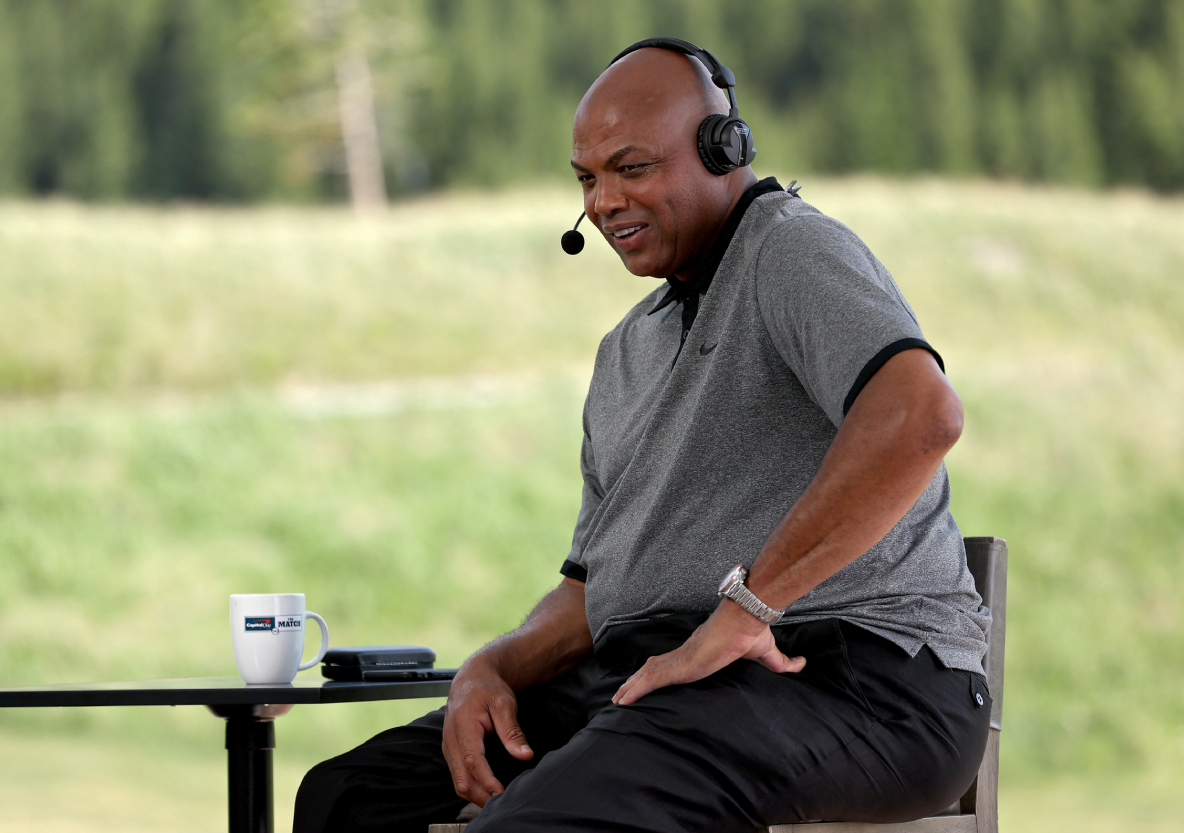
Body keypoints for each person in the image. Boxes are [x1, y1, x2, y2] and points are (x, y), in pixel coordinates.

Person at [294, 39, 991, 833]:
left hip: (859, 683)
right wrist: (489, 667)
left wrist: (746, 606)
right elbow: (593, 592)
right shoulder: (626, 349)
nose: (602, 202)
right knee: (346, 799)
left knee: (537, 821)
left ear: (722, 150)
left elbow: (920, 415)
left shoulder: (789, 249)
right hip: (667, 680)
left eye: (632, 169)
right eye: (587, 179)